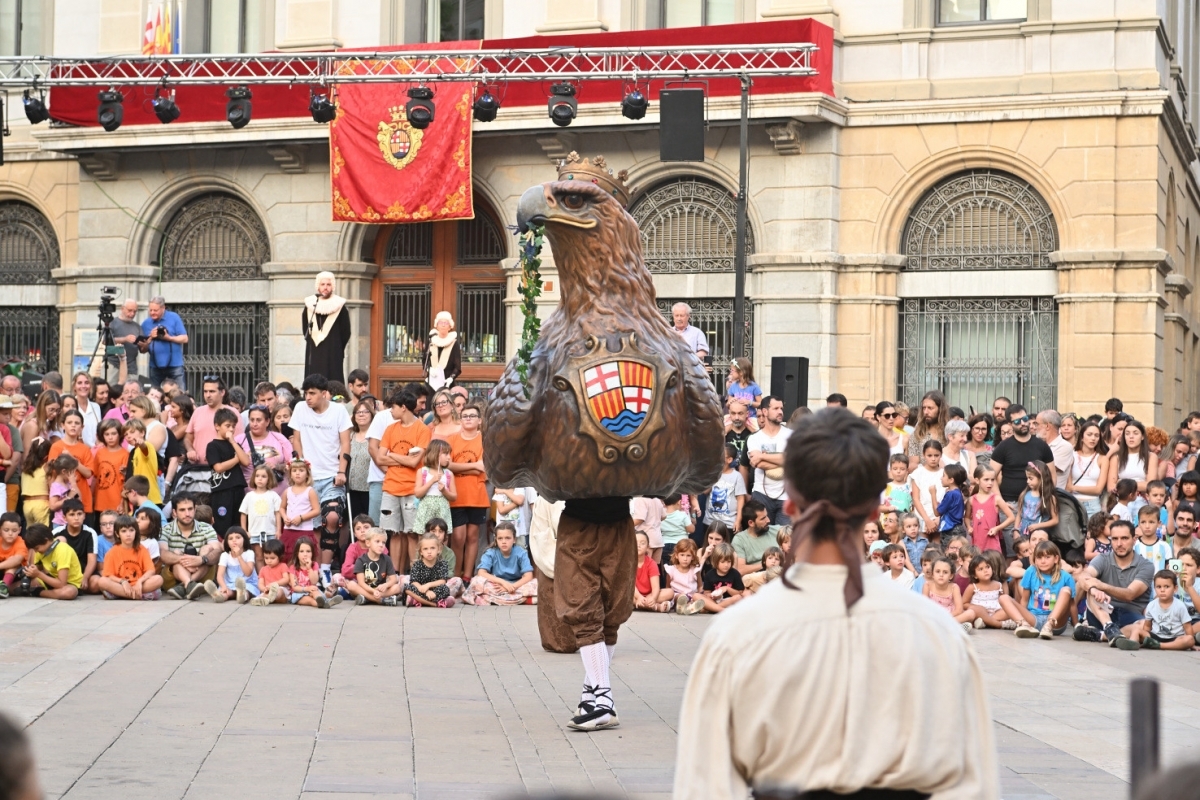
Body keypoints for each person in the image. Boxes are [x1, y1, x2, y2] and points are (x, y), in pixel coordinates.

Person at [675, 407, 998, 799]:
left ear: (790, 504)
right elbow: (972, 787)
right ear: (874, 508)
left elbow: (706, 788)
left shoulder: (737, 637)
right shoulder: (940, 635)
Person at [1073, 520, 1155, 648]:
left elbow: (1130, 594)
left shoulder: (1146, 566)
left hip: (1130, 616)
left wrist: (1101, 585)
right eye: (1115, 539)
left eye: (1124, 538)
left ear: (1134, 539)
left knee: (1144, 628)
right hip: (1102, 612)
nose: (1119, 544)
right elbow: (1083, 576)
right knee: (1086, 585)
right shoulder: (1103, 558)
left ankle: (1098, 634)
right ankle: (1108, 627)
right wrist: (1094, 589)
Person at [378, 391, 430, 571]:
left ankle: (414, 573)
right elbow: (379, 458)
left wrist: (391, 454)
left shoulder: (422, 430)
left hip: (412, 489)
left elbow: (415, 462)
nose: (390, 410)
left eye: (393, 407)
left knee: (412, 533)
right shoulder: (390, 429)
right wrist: (402, 457)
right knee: (394, 534)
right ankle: (395, 574)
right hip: (390, 487)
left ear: (403, 407)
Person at [289, 373, 352, 504]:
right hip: (309, 475)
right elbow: (296, 440)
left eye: (312, 393)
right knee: (313, 520)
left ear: (324, 393)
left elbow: (345, 443)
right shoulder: (300, 408)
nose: (307, 397)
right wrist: (300, 466)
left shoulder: (339, 410)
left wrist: (341, 472)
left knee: (332, 515)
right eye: (306, 393)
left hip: (332, 474)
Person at [989, 403, 1056, 514]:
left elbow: (1052, 475)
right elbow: (990, 476)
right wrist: (1000, 501)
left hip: (1037, 503)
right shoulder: (1003, 447)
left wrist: (1046, 499)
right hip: (1010, 504)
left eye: (1025, 419)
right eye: (1017, 421)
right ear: (1010, 424)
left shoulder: (1042, 446)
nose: (1023, 423)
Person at [447, 402, 487, 580]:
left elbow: (483, 467)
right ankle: (455, 576)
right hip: (456, 495)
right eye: (465, 416)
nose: (468, 419)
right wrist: (473, 467)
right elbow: (447, 465)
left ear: (479, 420)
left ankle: (467, 577)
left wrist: (458, 467)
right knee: (458, 537)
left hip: (477, 495)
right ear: (460, 419)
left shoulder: (485, 440)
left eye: (472, 416)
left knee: (472, 537)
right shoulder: (452, 439)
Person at [159, 495, 221, 601]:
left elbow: (218, 551)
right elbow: (162, 553)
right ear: (174, 512)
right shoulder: (165, 530)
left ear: (195, 509)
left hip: (201, 577)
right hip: (172, 579)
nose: (187, 514)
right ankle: (190, 584)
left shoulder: (206, 528)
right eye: (182, 510)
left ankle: (185, 585)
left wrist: (201, 560)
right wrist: (186, 560)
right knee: (176, 553)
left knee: (208, 549)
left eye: (190, 509)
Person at [1011, 540, 1074, 638]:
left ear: (1056, 559)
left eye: (1047, 557)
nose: (1043, 561)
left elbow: (1072, 605)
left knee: (1066, 590)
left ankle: (1049, 625)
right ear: (1035, 559)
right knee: (1004, 598)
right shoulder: (1031, 571)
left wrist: (1077, 625)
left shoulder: (1066, 576)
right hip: (1034, 618)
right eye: (1039, 558)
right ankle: (1024, 625)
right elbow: (1024, 599)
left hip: (1056, 622)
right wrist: (1023, 617)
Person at [463, 521, 536, 605]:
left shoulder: (521, 553)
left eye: (507, 538)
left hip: (516, 585)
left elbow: (528, 575)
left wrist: (511, 587)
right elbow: (481, 572)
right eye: (500, 538)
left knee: (535, 584)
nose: (504, 542)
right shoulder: (490, 553)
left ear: (514, 539)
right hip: (496, 585)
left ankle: (492, 599)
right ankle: (522, 600)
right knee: (476, 581)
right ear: (496, 540)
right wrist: (503, 582)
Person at [95, 514, 162, 600]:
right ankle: (138, 595)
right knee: (102, 581)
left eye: (131, 530)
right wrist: (122, 581)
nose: (128, 534)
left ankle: (122, 594)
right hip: (121, 585)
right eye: (124, 531)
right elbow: (108, 575)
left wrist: (140, 582)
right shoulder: (112, 552)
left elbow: (151, 570)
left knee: (158, 579)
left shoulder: (142, 549)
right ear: (117, 534)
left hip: (139, 584)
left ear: (136, 532)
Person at [746, 395, 791, 525]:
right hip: (761, 494)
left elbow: (792, 460)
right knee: (761, 535)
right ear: (765, 412)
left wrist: (763, 456)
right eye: (776, 408)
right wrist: (782, 460)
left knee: (784, 537)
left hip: (786, 496)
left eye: (781, 408)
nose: (780, 412)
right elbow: (756, 463)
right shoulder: (754, 438)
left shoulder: (790, 435)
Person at [1124, 569, 1195, 650]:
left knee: (1189, 639)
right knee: (1136, 630)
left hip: (1175, 638)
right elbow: (1147, 626)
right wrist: (1144, 636)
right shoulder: (1151, 605)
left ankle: (1159, 645)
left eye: (1167, 587)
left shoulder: (1180, 606)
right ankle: (1132, 643)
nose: (1162, 590)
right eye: (1158, 587)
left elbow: (1188, 627)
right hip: (1156, 636)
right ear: (1154, 588)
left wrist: (1191, 645)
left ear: (1175, 589)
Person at [301, 271, 351, 384]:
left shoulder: (340, 306)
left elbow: (345, 332)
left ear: (332, 286)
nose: (325, 288)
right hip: (314, 353)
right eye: (322, 284)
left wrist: (336, 346)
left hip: (333, 352)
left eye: (328, 285)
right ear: (318, 286)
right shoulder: (310, 305)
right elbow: (305, 328)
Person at [186, 376, 245, 466]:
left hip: (224, 470)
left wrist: (215, 456)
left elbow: (239, 443)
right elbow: (187, 439)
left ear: (222, 392)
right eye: (205, 391)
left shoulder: (233, 413)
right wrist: (190, 450)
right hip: (198, 470)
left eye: (212, 391)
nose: (208, 395)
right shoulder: (198, 412)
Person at [138, 296, 188, 390]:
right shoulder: (146, 323)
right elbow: (142, 350)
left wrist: (168, 338)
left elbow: (185, 339)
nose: (152, 313)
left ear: (163, 308)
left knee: (179, 394)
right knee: (155, 394)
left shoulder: (174, 317)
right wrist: (150, 338)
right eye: (151, 310)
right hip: (155, 366)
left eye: (155, 310)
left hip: (175, 365)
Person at [202, 526, 259, 604]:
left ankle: (242, 596)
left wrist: (239, 556)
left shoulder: (249, 553)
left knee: (246, 591)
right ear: (227, 542)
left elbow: (248, 573)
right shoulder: (225, 555)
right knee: (227, 592)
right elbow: (220, 575)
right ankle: (220, 596)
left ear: (244, 540)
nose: (234, 540)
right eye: (231, 539)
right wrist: (223, 586)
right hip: (230, 583)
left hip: (247, 583)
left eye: (238, 537)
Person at [413, 439, 456, 538]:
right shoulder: (422, 471)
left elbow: (454, 497)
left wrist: (444, 491)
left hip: (442, 509)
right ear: (435, 454)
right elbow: (418, 493)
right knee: (424, 537)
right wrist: (431, 481)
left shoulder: (449, 474)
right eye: (446, 454)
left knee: (442, 538)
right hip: (426, 509)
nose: (449, 457)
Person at [923, 554, 976, 633]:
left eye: (945, 572)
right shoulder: (927, 585)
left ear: (951, 576)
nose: (941, 575)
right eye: (938, 571)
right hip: (933, 616)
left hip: (950, 615)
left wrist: (945, 618)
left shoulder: (954, 587)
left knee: (971, 613)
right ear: (933, 574)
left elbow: (959, 610)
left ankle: (946, 626)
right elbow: (924, 607)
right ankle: (954, 626)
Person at [280, 459, 320, 562]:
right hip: (289, 530)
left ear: (307, 474)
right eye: (294, 470)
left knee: (304, 558)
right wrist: (284, 517)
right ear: (290, 474)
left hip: (304, 531)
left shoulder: (310, 491)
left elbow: (316, 510)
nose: (297, 473)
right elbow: (282, 507)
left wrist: (301, 518)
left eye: (301, 470)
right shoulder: (287, 491)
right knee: (287, 557)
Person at [349, 528, 401, 606]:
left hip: (380, 591)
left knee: (397, 587)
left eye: (383, 543)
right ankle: (381, 600)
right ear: (368, 543)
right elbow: (361, 583)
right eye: (377, 541)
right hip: (366, 589)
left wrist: (385, 585)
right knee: (351, 585)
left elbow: (393, 579)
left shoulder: (387, 559)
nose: (381, 545)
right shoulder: (360, 560)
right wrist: (373, 591)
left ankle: (366, 599)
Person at [1107, 419, 1158, 495]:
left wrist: (1121, 482)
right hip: (1121, 500)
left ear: (1142, 436)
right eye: (1127, 434)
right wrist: (1140, 484)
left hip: (1142, 500)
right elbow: (1110, 487)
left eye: (1135, 433)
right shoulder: (1116, 457)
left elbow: (1150, 485)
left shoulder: (1151, 456)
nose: (1131, 436)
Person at [405, 531, 455, 607]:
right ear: (421, 552)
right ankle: (434, 603)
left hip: (435, 591)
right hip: (421, 590)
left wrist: (428, 586)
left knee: (445, 588)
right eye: (425, 549)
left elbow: (443, 580)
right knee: (408, 588)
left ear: (438, 549)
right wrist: (426, 591)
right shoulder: (417, 564)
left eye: (432, 548)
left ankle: (417, 601)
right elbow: (414, 582)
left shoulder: (442, 563)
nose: (429, 552)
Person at [731, 500, 779, 577]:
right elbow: (740, 569)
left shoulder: (777, 531)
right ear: (751, 523)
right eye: (763, 518)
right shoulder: (740, 540)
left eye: (766, 516)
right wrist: (765, 564)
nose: (768, 520)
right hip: (756, 578)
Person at [906, 389, 948, 469]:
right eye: (924, 408)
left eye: (930, 408)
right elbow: (913, 464)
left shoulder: (948, 432)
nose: (926, 412)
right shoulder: (918, 433)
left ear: (940, 409)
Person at [699, 542, 743, 613]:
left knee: (738, 598)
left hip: (729, 601)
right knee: (696, 596)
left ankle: (712, 609)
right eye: (722, 562)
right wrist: (713, 595)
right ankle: (719, 609)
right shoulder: (709, 574)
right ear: (716, 561)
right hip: (714, 601)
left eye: (728, 562)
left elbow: (740, 593)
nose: (726, 565)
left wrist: (727, 589)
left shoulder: (735, 573)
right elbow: (707, 593)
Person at [424, 310, 462, 390]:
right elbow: (424, 360)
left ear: (450, 326)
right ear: (436, 325)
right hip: (431, 381)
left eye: (446, 323)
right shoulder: (431, 341)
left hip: (447, 382)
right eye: (441, 323)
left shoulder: (454, 343)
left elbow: (457, 367)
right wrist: (429, 370)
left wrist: (451, 378)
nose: (443, 325)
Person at [665, 538, 705, 615]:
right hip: (677, 595)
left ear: (693, 557)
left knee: (697, 599)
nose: (685, 559)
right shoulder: (671, 570)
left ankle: (688, 608)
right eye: (682, 555)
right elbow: (668, 587)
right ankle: (682, 605)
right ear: (676, 555)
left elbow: (700, 586)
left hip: (691, 596)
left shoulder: (695, 570)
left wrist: (701, 595)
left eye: (688, 555)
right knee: (680, 596)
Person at [1037, 410, 1073, 490]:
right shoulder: (1037, 444)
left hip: (1054, 496)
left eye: (1037, 424)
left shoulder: (1065, 447)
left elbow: (1043, 470)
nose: (1035, 427)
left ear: (1047, 426)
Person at [250, 538, 293, 606]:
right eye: (266, 558)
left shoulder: (283, 566)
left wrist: (274, 584)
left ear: (280, 557)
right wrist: (264, 588)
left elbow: (286, 579)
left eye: (272, 558)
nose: (269, 561)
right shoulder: (263, 569)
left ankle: (270, 596)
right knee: (263, 594)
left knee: (279, 591)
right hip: (268, 590)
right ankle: (264, 598)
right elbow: (260, 583)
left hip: (281, 588)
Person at [723, 400, 753, 489]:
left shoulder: (752, 434)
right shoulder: (724, 434)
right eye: (733, 413)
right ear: (729, 414)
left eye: (740, 413)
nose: (736, 417)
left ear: (747, 414)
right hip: (727, 482)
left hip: (749, 481)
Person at [725, 357, 761, 422]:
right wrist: (730, 402)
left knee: (755, 430)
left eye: (732, 370)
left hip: (751, 418)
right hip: (735, 419)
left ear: (741, 372)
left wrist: (749, 402)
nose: (731, 373)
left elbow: (760, 404)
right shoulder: (733, 386)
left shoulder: (754, 387)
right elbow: (727, 405)